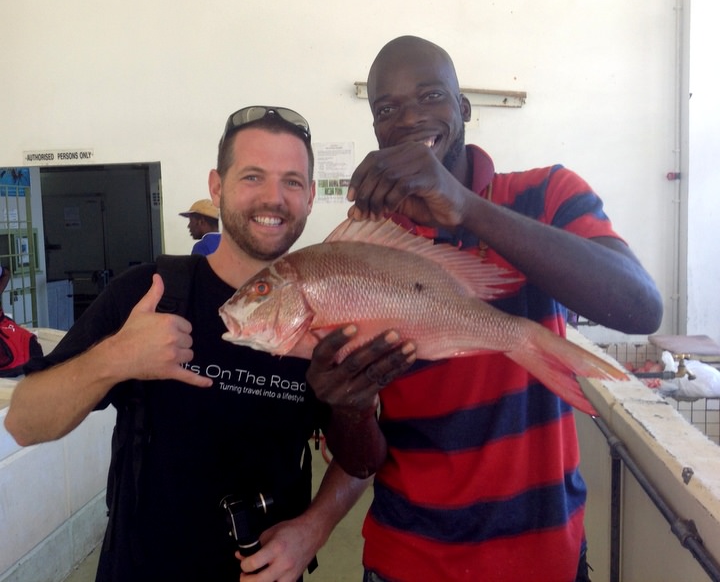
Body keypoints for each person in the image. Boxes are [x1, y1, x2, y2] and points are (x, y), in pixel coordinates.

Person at [4, 106, 415, 582]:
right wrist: (116, 358)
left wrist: (314, 529)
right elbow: (25, 421)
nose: (274, 198)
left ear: (308, 200)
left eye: (293, 182)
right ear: (217, 187)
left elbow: (355, 458)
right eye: (253, 177)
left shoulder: (329, 312)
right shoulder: (149, 292)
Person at [309, 36, 663, 582]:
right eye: (386, 108)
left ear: (463, 109)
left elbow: (640, 307)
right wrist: (347, 408)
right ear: (375, 128)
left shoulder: (545, 194)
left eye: (430, 96)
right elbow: (364, 458)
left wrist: (466, 206)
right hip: (409, 560)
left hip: (546, 559)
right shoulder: (367, 246)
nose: (408, 118)